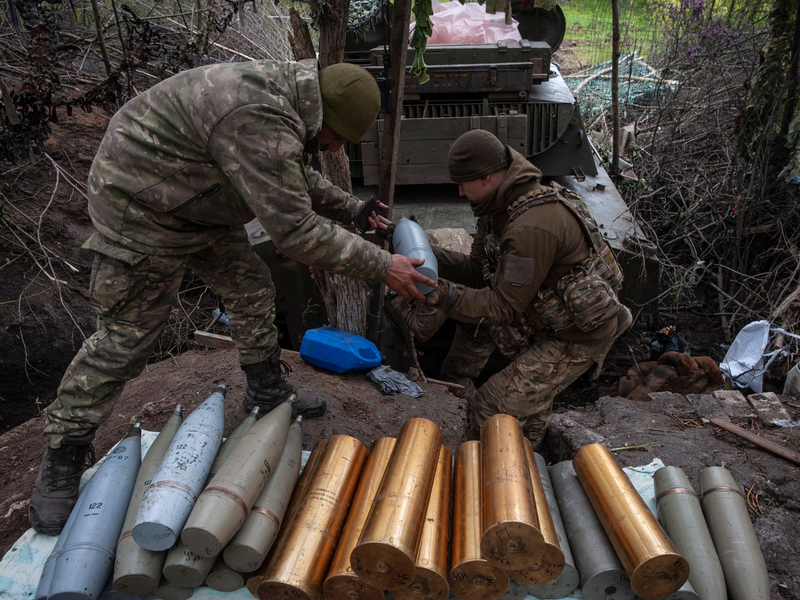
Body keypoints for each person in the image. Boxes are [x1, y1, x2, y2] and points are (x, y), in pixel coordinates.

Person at [29, 59, 435, 535]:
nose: (335, 148)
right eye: (337, 137)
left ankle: (265, 391)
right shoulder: (257, 115)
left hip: (199, 198)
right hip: (139, 207)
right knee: (128, 336)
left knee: (250, 287)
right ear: (322, 115)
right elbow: (295, 232)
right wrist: (383, 265)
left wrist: (353, 209)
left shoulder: (289, 102)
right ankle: (63, 453)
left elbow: (291, 175)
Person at [400, 129, 632, 447]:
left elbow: (503, 307)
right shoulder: (498, 209)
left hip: (578, 336)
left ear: (485, 177)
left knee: (490, 408)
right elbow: (474, 270)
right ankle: (531, 458)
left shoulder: (530, 228)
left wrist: (444, 294)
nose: (458, 192)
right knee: (524, 406)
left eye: (462, 182)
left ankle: (502, 475)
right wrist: (418, 252)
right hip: (547, 323)